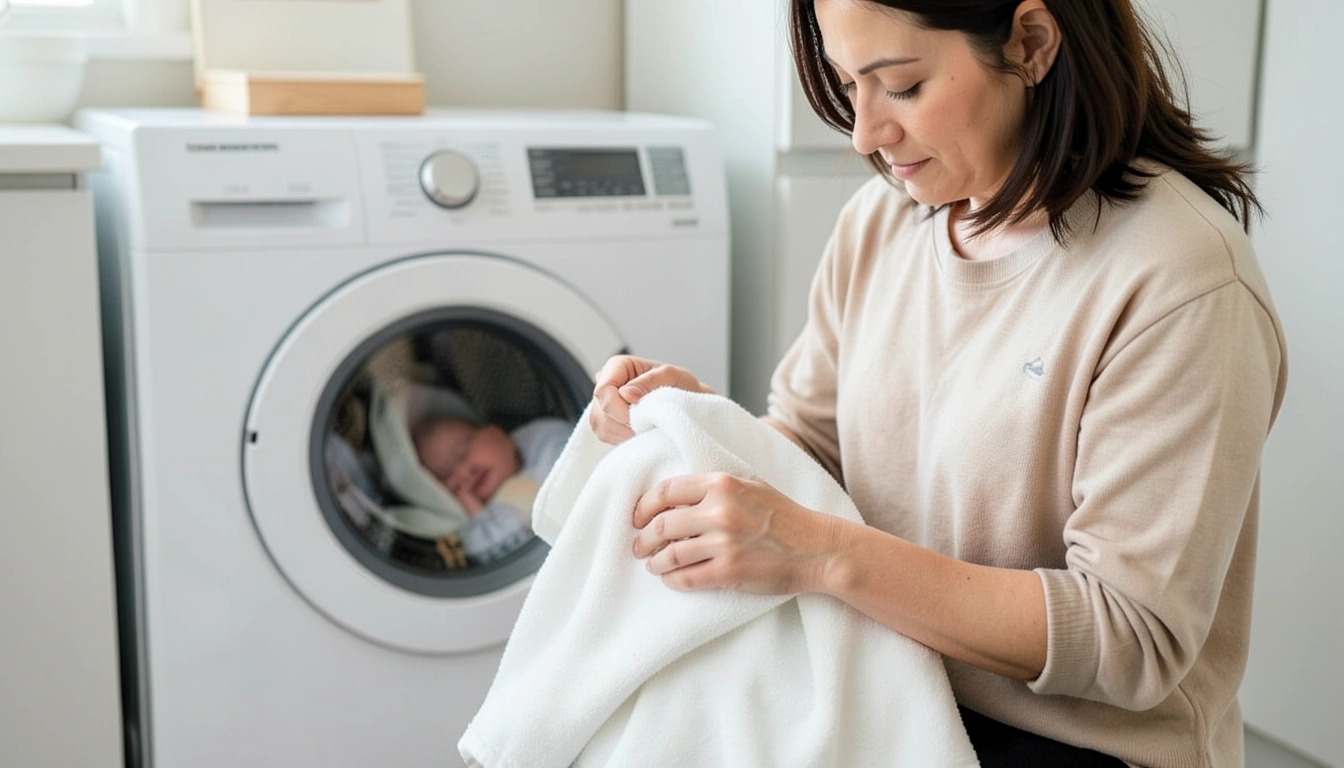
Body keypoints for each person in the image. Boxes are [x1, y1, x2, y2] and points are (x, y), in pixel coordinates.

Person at [588, 1, 1287, 766]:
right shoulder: (881, 224)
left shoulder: (1179, 279)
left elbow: (1130, 639)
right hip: (887, 692)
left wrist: (822, 555)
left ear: (1031, 43)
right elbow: (813, 451)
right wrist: (700, 427)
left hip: (1075, 742)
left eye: (903, 86)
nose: (864, 133)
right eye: (847, 82)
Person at [414, 413, 572, 562]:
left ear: (495, 432)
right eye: (451, 480)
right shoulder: (485, 526)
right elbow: (493, 552)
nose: (463, 473)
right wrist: (478, 513)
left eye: (463, 453)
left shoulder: (545, 443)